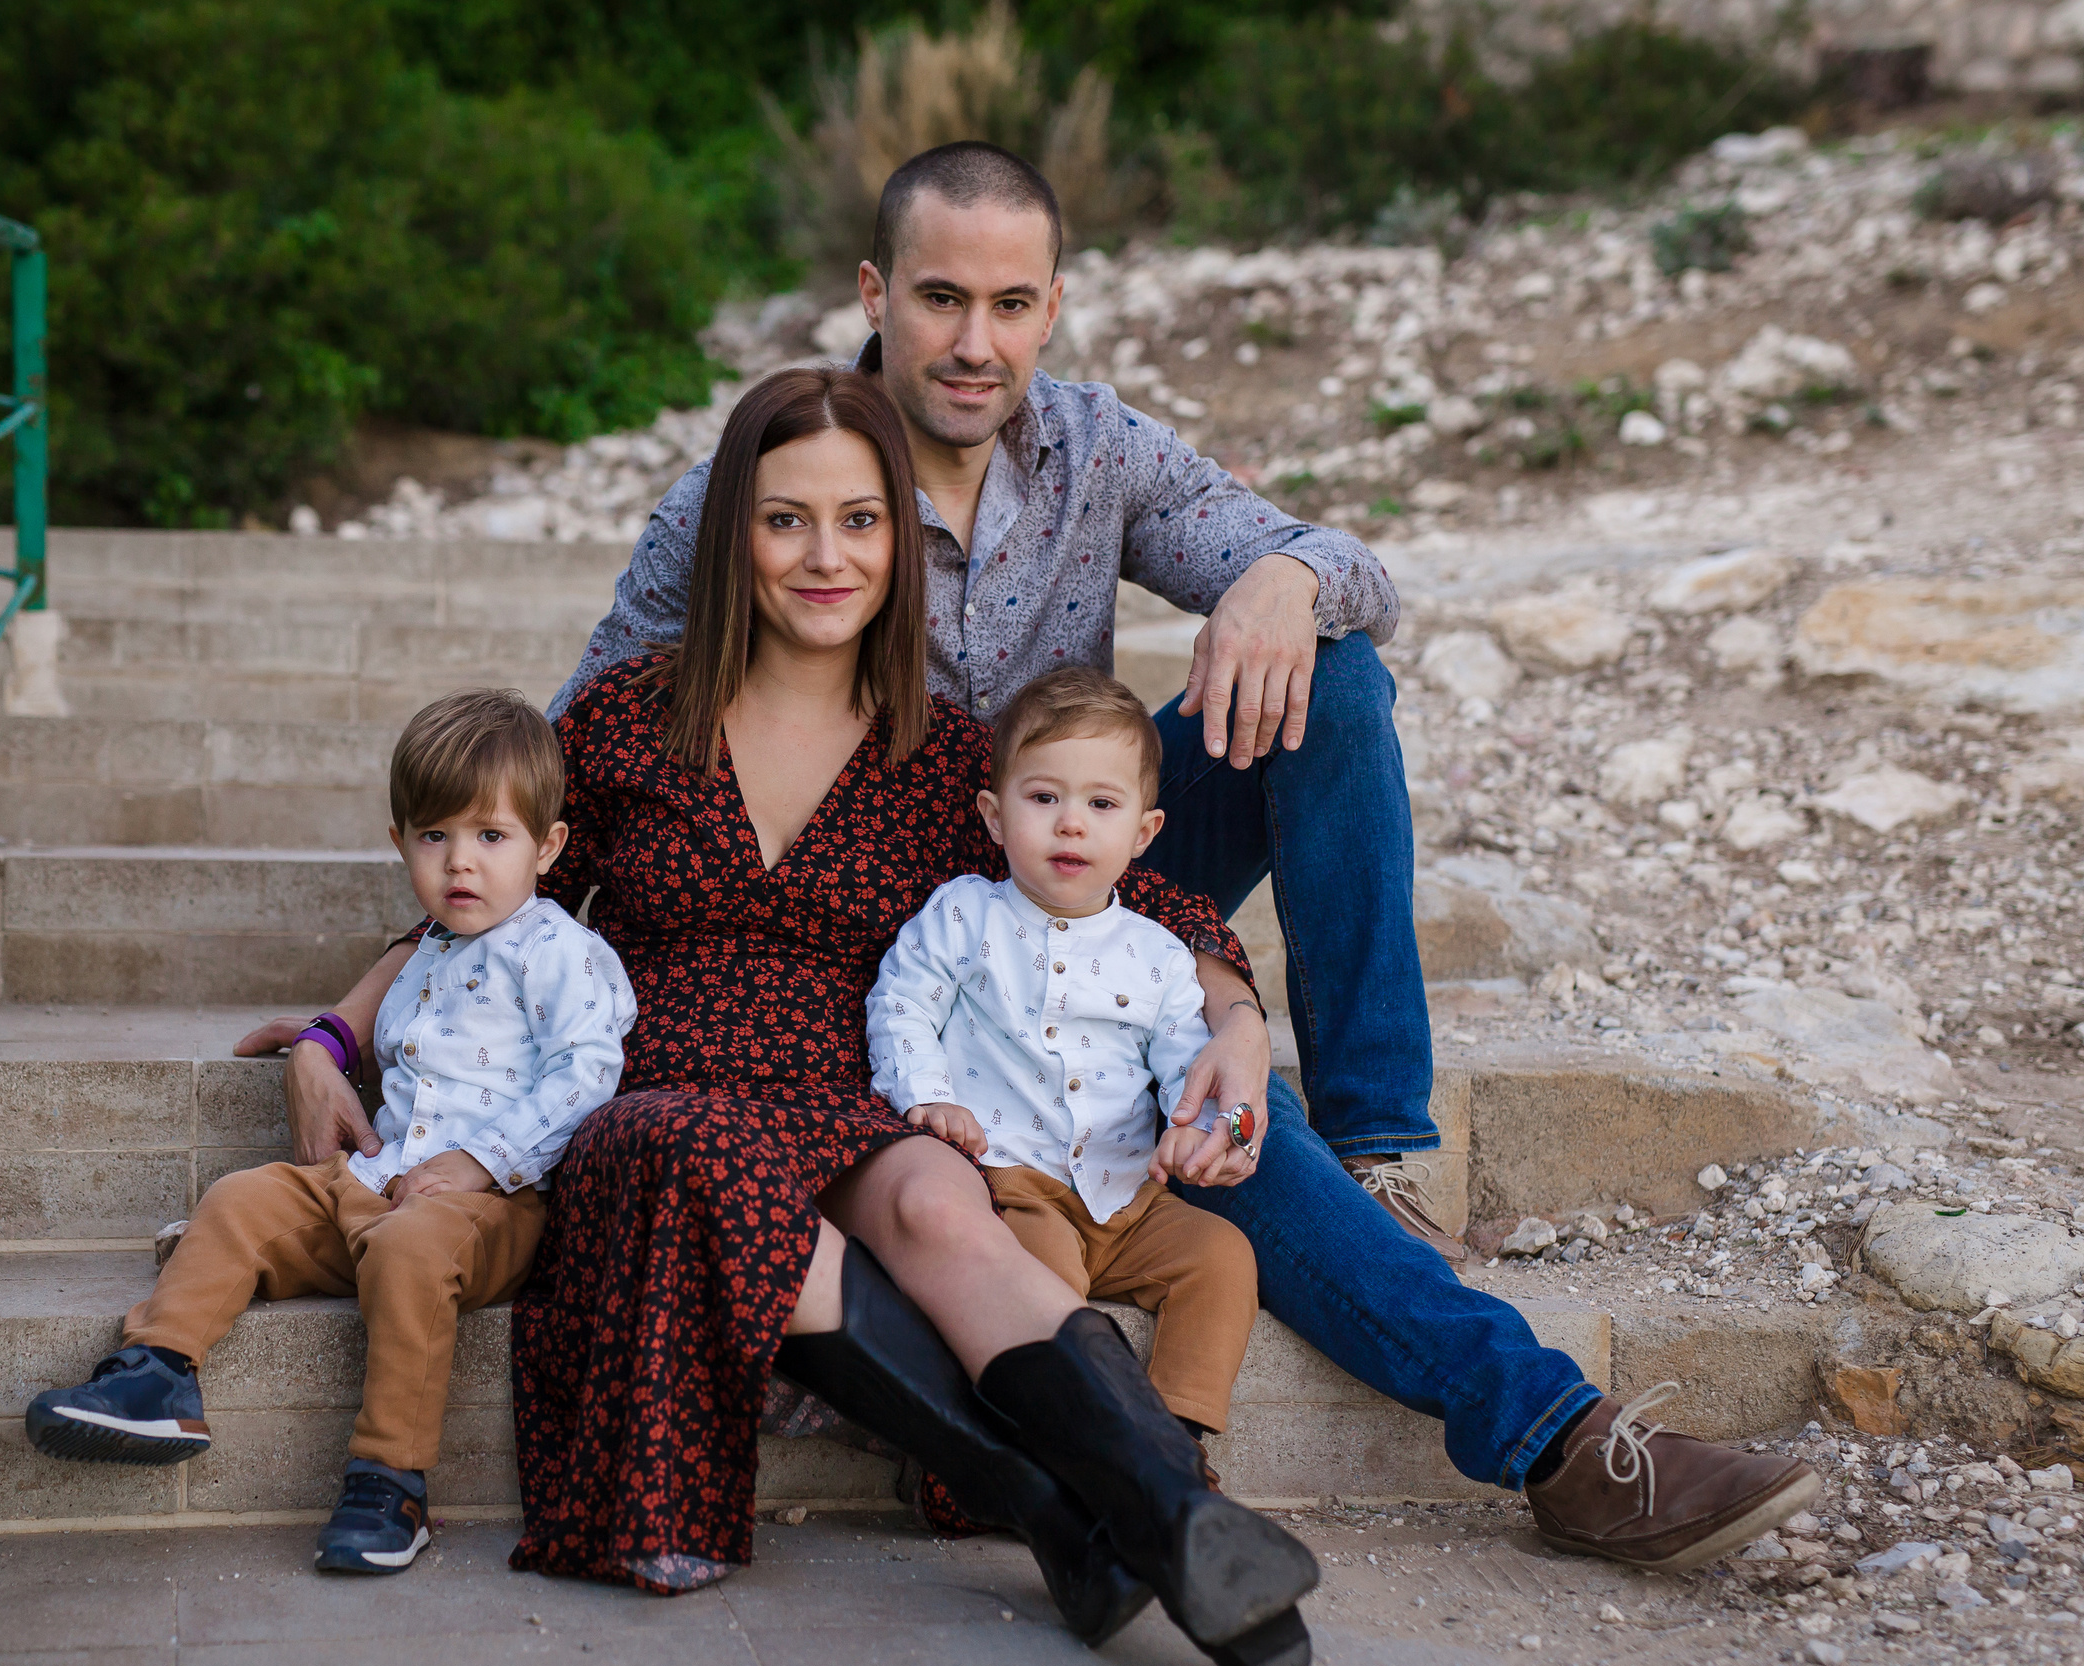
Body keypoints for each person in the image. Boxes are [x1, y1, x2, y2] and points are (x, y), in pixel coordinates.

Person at [525, 140, 1821, 1571]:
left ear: (1055, 306)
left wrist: (1277, 579)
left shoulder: (1093, 448)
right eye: (942, 299)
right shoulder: (773, 483)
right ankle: (1544, 1425)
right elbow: (561, 777)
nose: (976, 342)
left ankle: (1380, 1143)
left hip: (1077, 857)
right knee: (1179, 1100)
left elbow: (1352, 569)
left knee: (1330, 680)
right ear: (874, 292)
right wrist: (396, 987)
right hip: (893, 931)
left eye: (1012, 304)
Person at [530, 364, 1318, 1666]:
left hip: (849, 1089)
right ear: (733, 534)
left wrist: (1236, 1012)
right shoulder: (622, 721)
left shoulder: (939, 751)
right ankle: (1074, 1505)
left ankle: (1178, 1513)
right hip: (655, 1102)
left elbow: (1149, 895)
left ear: (901, 540)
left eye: (858, 520)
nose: (824, 555)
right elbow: (492, 896)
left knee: (946, 1203)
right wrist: (336, 1044)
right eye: (786, 520)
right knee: (706, 1145)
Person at [26, 690, 634, 1579]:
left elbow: (586, 1074)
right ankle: (156, 1371)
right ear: (400, 843)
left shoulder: (562, 951)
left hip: (490, 1211)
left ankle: (390, 1480)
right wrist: (324, 1041)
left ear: (548, 846)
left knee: (412, 1252)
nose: (460, 862)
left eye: (491, 838)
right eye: (434, 837)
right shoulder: (425, 949)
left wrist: (480, 1161)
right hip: (374, 1182)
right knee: (244, 1197)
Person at [868, 665, 1260, 1447]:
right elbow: (901, 1004)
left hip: (1128, 1193)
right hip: (1013, 1185)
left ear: (1144, 833)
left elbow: (1190, 1055)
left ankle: (1172, 1436)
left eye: (1101, 804)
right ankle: (1077, 1441)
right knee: (1047, 1279)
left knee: (1222, 1256)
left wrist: (1204, 1124)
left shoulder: (1158, 954)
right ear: (993, 814)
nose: (1070, 824)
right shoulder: (963, 915)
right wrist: (927, 1096)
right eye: (1043, 798)